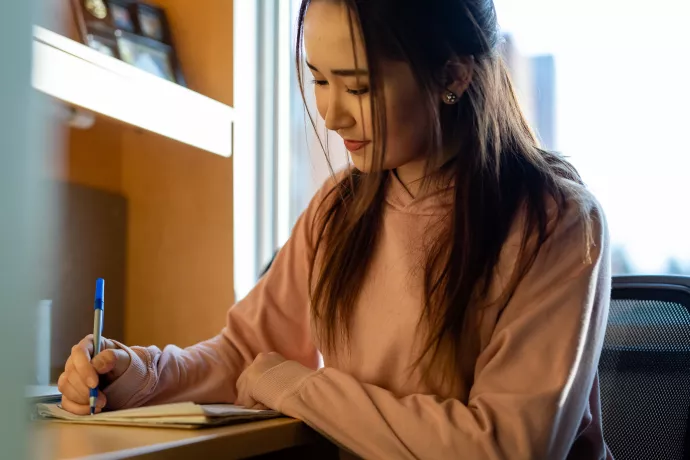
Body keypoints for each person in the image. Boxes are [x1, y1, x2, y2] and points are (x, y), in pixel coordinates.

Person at [58, 0, 613, 458]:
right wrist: (135, 374)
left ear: (452, 73)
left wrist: (297, 385)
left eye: (357, 86)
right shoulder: (340, 207)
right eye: (319, 79)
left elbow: (505, 447)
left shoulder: (557, 223)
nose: (330, 114)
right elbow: (242, 357)